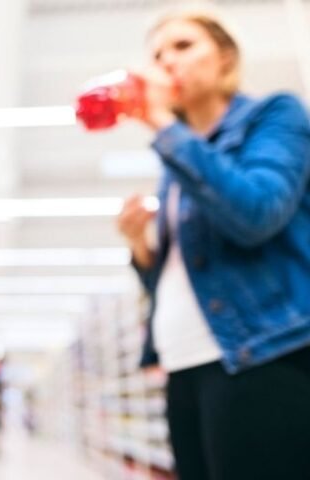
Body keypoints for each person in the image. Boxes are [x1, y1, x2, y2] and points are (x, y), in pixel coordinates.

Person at [117, 9, 310, 480]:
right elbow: (179, 272)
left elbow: (257, 214)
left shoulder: (273, 115)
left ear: (225, 57)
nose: (166, 62)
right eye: (158, 54)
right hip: (184, 363)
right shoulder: (177, 162)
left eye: (183, 46)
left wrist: (162, 123)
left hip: (260, 355)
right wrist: (139, 246)